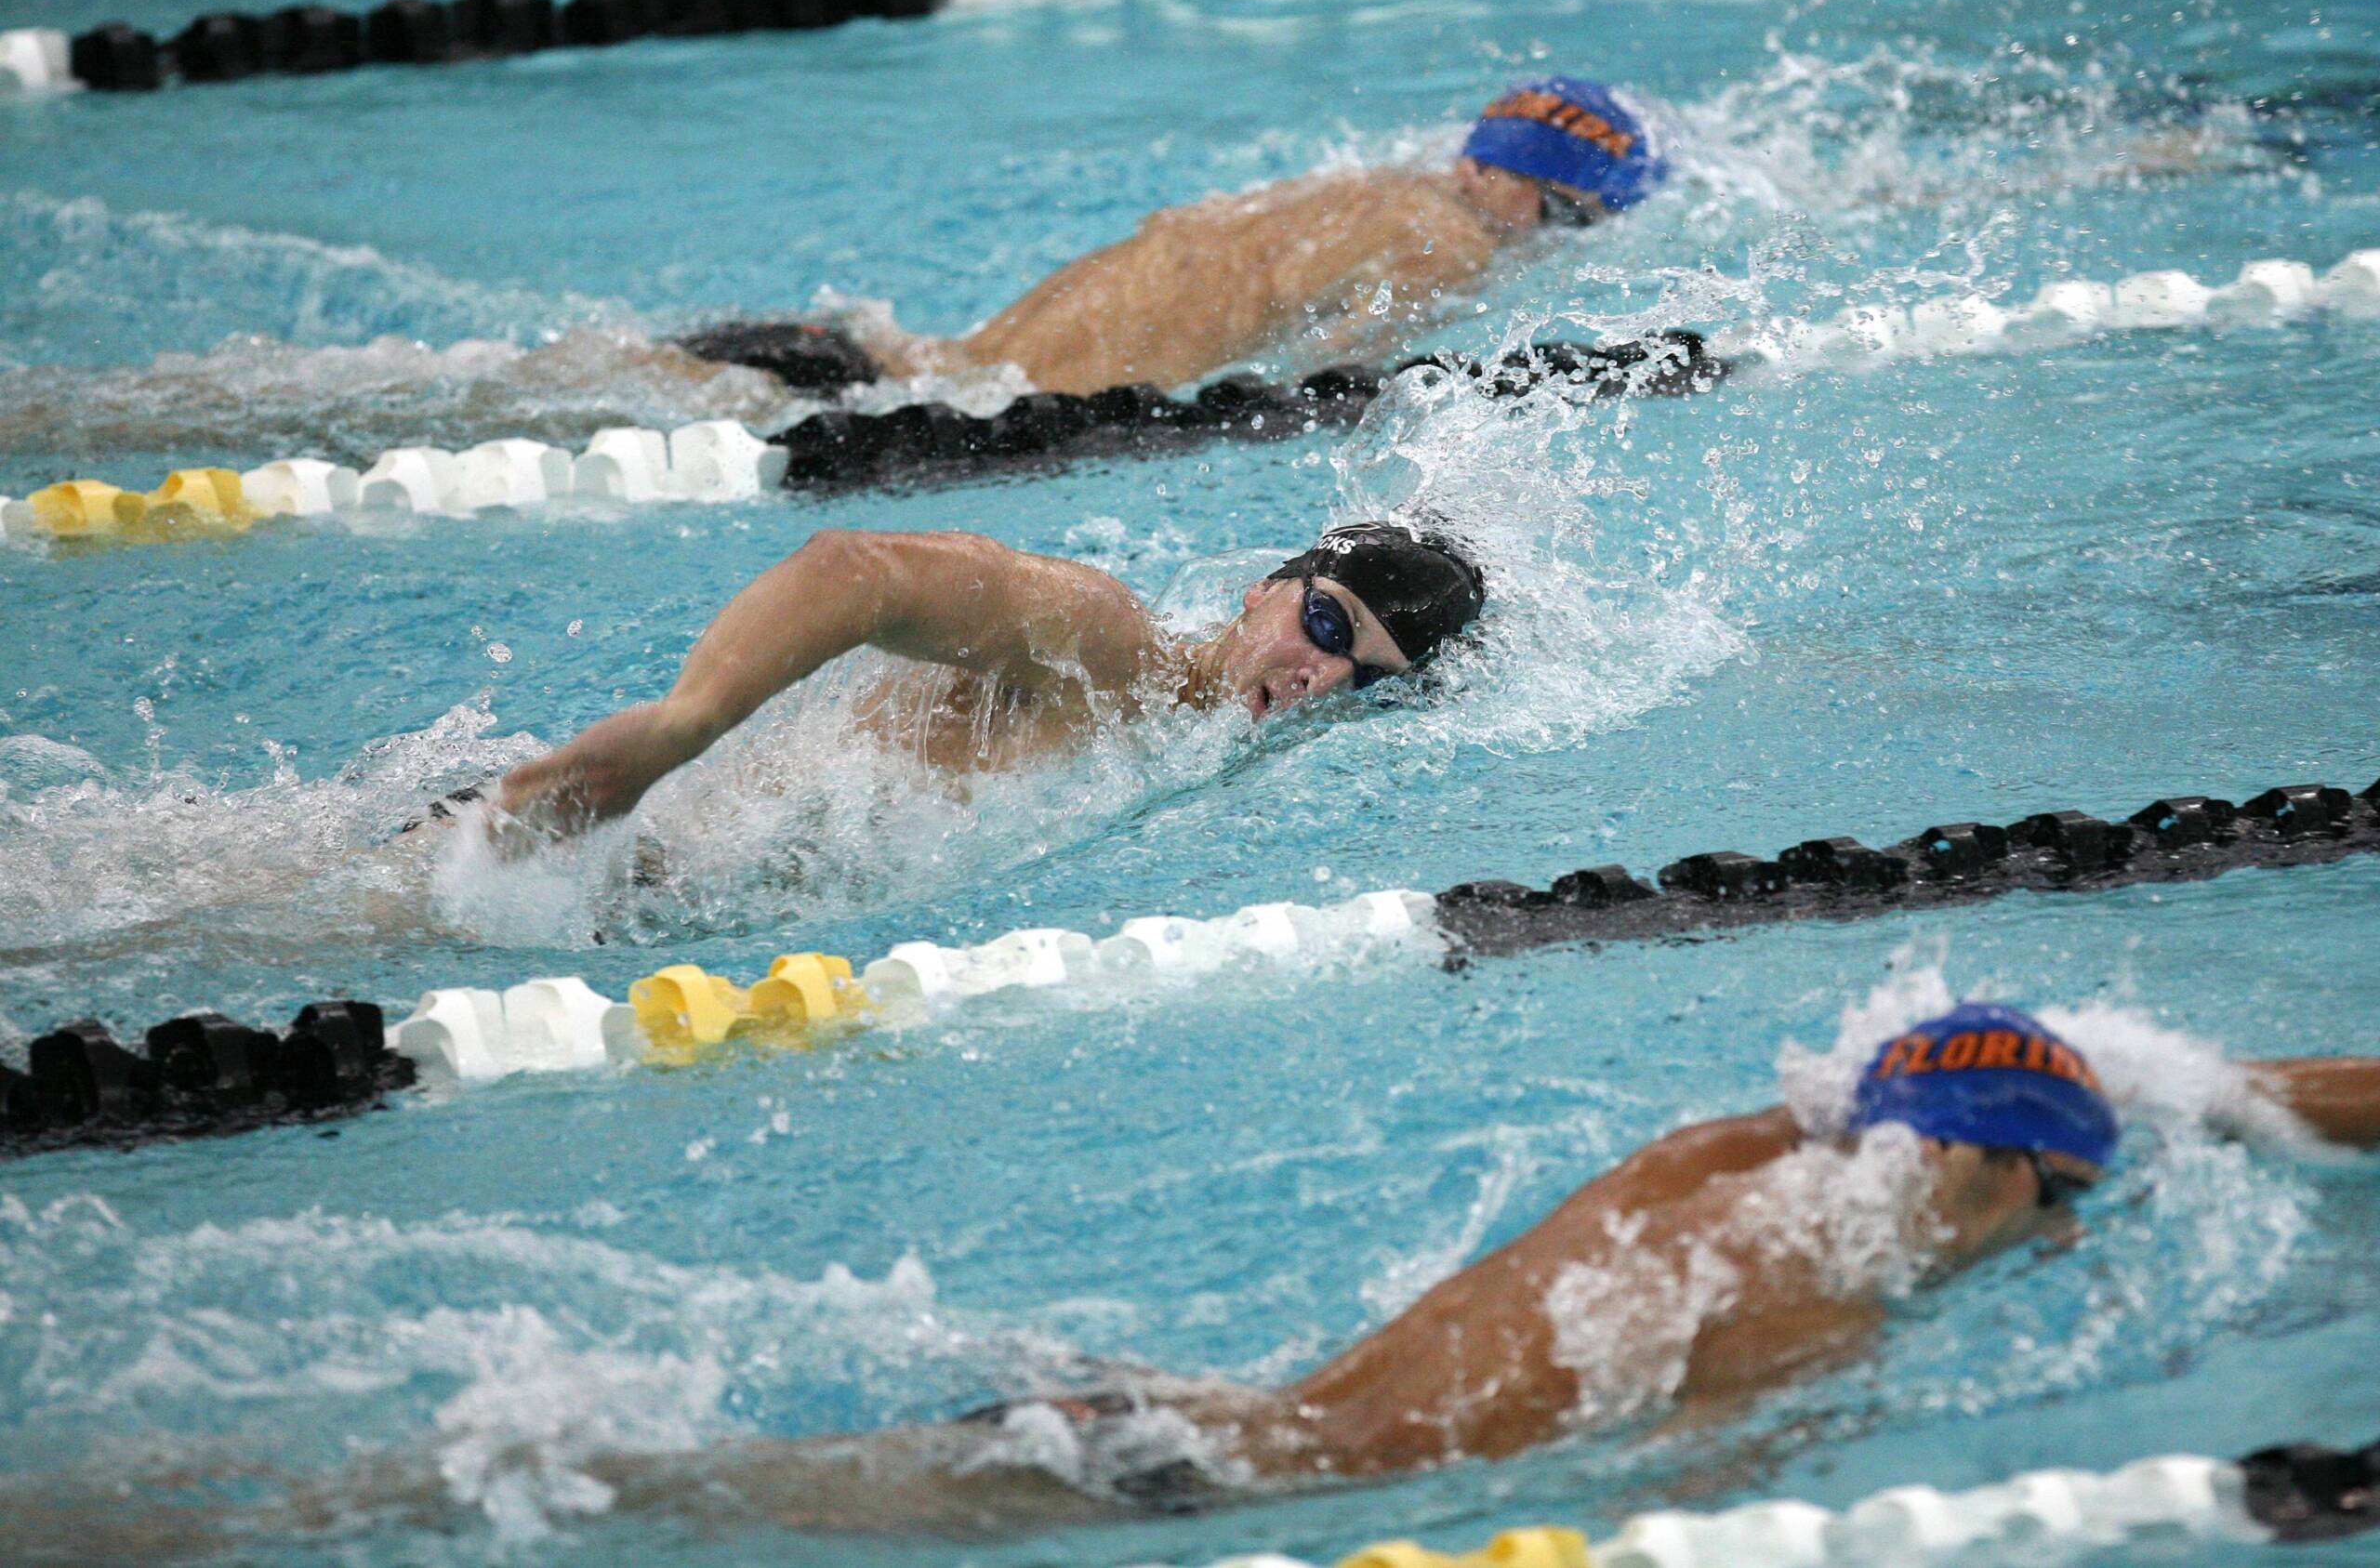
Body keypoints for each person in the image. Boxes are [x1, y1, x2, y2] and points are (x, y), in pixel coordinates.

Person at [7, 1005, 2375, 1556]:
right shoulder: (1817, 1310)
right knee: (604, 1489)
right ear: (1998, 1193)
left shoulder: (1722, 1151)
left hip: (1199, 1389)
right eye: (2052, 1204)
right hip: (1145, 1464)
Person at [485, 520, 1488, 843]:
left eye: (1362, 678)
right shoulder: (1104, 648)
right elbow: (856, 570)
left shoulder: (1196, 757)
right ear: (1259, 592)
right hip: (587, 830)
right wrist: (682, 729)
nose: (1318, 674)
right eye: (1324, 623)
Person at [679, 75, 1668, 398]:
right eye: (1570, 216)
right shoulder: (1447, 243)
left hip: (903, 359)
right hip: (944, 405)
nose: (1565, 239)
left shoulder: (1377, 186)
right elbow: (1333, 368)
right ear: (1507, 181)